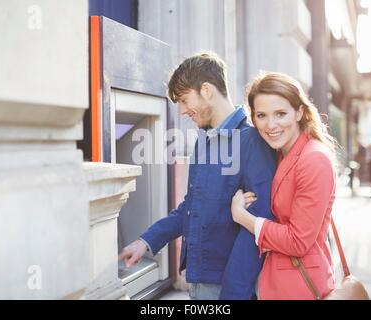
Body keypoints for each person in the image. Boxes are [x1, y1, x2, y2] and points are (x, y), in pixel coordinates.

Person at [118, 52, 277, 300]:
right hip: (197, 282)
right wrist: (146, 242)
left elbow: (257, 228)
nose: (182, 111)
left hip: (228, 288)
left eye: (184, 99)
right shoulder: (203, 142)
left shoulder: (252, 142)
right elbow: (190, 208)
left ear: (206, 90)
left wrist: (232, 296)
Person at [231, 71, 337, 300]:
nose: (271, 125)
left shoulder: (313, 158)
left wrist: (242, 216)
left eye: (280, 114)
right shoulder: (280, 154)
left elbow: (298, 241)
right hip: (277, 283)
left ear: (299, 112)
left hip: (300, 287)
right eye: (261, 115)